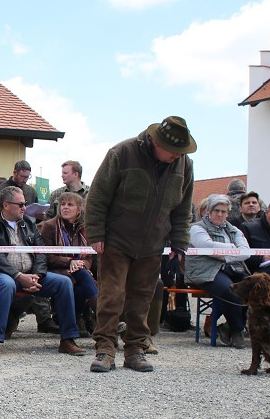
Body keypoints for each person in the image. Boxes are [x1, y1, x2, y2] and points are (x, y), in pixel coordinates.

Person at [84, 116, 196, 373]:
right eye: (175, 151)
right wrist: (96, 234)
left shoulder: (184, 165)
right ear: (157, 142)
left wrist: (180, 242)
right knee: (111, 296)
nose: (179, 156)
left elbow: (182, 208)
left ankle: (135, 350)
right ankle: (105, 349)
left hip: (153, 243)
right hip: (116, 240)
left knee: (142, 299)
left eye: (182, 152)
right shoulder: (122, 153)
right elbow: (98, 196)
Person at [0, 186, 87, 358]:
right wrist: (19, 276)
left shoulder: (29, 223)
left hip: (32, 274)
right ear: (6, 205)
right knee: (6, 285)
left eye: (25, 204)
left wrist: (37, 275)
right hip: (4, 273)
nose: (25, 208)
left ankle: (68, 339)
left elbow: (41, 252)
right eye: (21, 204)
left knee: (64, 282)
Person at [187, 194, 252, 348]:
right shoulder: (196, 228)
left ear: (228, 214)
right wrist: (231, 249)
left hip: (231, 268)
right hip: (204, 271)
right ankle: (237, 331)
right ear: (208, 211)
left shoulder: (233, 229)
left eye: (223, 211)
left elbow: (246, 252)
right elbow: (205, 246)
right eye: (216, 210)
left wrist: (223, 257)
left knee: (252, 289)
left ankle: (227, 327)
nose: (220, 214)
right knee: (230, 290)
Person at [39, 192, 99, 335]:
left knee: (80, 281)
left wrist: (81, 264)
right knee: (81, 276)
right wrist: (70, 262)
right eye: (63, 204)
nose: (65, 208)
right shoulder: (49, 226)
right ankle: (105, 319)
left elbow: (89, 256)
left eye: (70, 205)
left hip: (78, 271)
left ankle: (77, 319)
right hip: (55, 270)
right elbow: (46, 256)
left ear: (79, 210)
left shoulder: (85, 228)